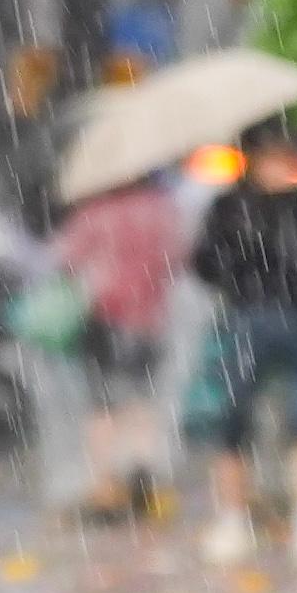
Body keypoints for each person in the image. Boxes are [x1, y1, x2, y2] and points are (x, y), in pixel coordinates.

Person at [190, 114, 297, 564]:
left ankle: (232, 526)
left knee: (231, 423)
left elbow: (204, 266)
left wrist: (239, 273)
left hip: (248, 319)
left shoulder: (229, 206)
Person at [49, 168, 185, 523]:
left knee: (103, 405)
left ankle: (106, 487)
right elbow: (179, 259)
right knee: (142, 398)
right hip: (151, 320)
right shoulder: (164, 210)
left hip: (105, 317)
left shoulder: (98, 211)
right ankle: (142, 467)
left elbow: (64, 260)